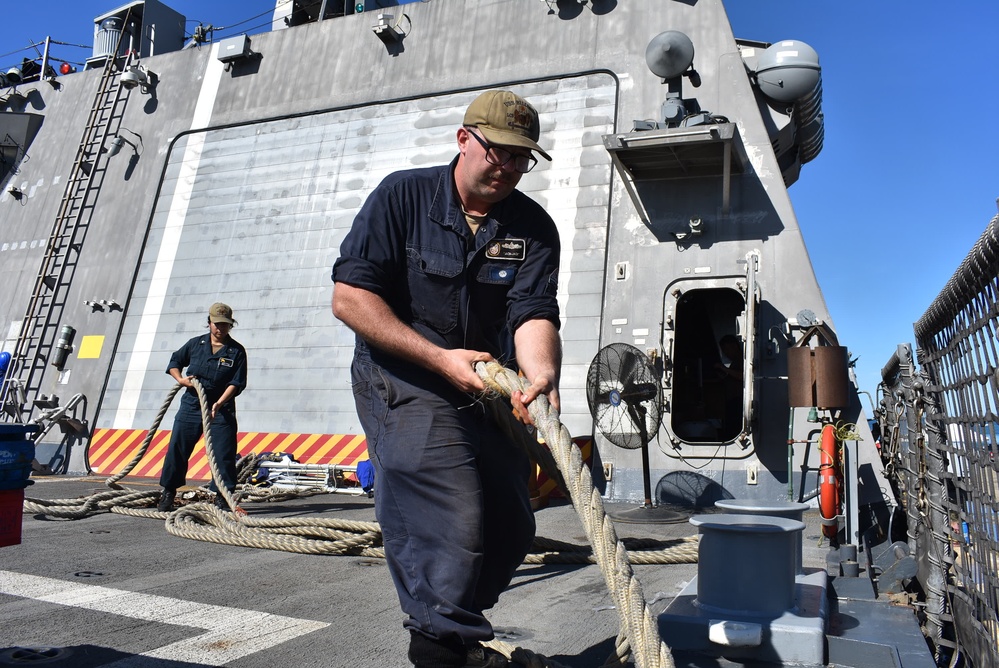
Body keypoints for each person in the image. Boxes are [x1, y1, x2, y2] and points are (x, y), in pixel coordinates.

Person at [331, 90, 562, 668]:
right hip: (405, 376)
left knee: (511, 524)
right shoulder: (401, 196)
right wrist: (439, 360)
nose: (508, 167)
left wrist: (541, 374)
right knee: (453, 506)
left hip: (483, 386)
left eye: (521, 158)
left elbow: (533, 310)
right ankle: (441, 645)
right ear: (464, 140)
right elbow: (351, 299)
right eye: (499, 152)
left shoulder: (533, 227)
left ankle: (453, 628)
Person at [157, 303, 248, 512]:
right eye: (216, 324)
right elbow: (175, 361)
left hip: (221, 408)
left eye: (225, 325)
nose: (220, 328)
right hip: (192, 404)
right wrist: (181, 380)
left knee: (223, 453)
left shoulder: (236, 351)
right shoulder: (195, 344)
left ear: (230, 326)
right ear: (209, 323)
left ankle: (222, 497)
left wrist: (219, 403)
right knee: (178, 449)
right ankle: (168, 492)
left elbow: (237, 382)